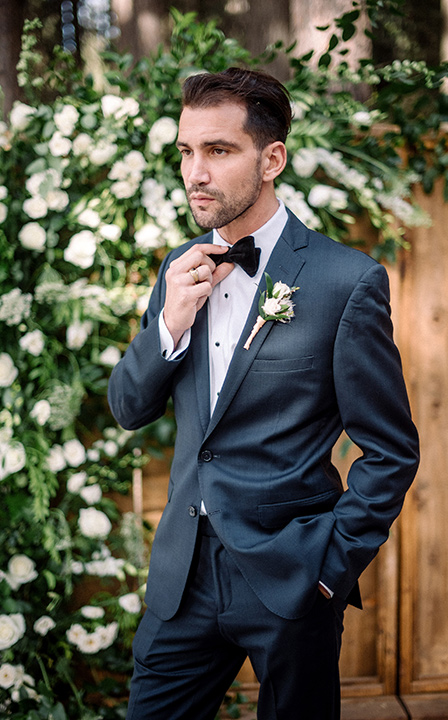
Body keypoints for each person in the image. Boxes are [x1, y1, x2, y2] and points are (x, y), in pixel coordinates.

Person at [108, 67, 419, 720]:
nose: (195, 172)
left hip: (292, 580)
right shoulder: (178, 267)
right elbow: (130, 408)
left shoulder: (345, 280)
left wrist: (329, 571)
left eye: (218, 151)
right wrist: (169, 323)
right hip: (181, 582)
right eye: (186, 152)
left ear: (271, 157)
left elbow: (390, 451)